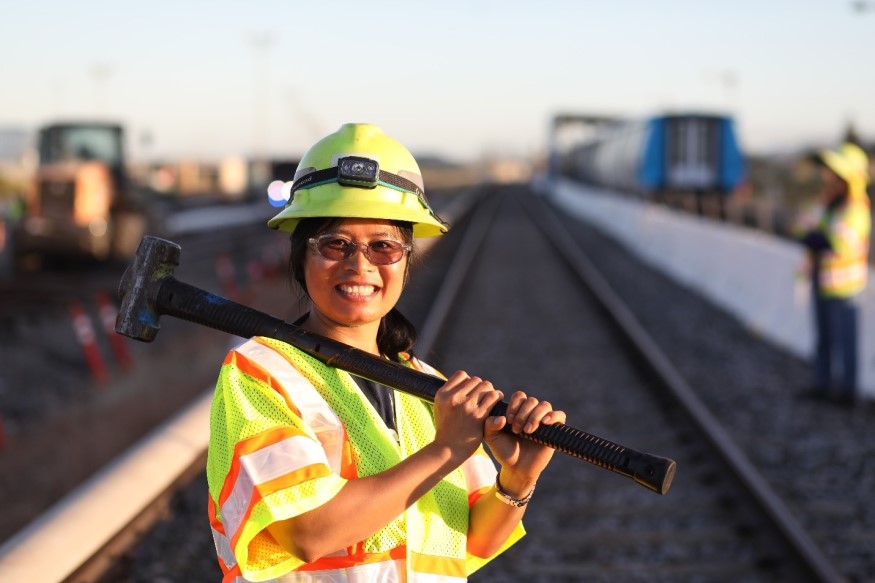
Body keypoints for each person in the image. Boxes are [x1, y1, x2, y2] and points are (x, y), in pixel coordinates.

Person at [205, 123, 566, 582]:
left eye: (383, 246)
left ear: (406, 259)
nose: (360, 265)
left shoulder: (424, 385)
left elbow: (471, 540)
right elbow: (310, 532)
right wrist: (445, 449)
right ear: (300, 258)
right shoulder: (260, 375)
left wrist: (518, 481)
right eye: (335, 244)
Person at [795, 142, 871, 407]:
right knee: (824, 339)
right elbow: (803, 227)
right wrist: (815, 232)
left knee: (846, 343)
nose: (829, 178)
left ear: (850, 177)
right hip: (822, 282)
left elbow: (836, 242)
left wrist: (817, 238)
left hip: (846, 289)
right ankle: (822, 385)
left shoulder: (856, 209)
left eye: (835, 174)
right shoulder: (830, 205)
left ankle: (848, 393)